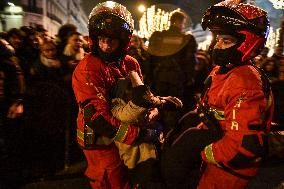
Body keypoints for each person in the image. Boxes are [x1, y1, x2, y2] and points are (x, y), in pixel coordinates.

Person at [72, 1, 177, 188]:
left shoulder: (131, 63)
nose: (106, 44)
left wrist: (155, 108)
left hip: (128, 131)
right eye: (101, 38)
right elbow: (97, 118)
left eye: (112, 38)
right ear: (93, 38)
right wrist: (141, 134)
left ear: (124, 40)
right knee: (113, 179)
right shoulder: (88, 68)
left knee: (137, 177)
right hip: (101, 139)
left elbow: (141, 95)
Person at [196, 2, 274, 189]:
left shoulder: (245, 80)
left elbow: (243, 147)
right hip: (216, 164)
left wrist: (200, 151)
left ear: (248, 42)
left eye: (227, 41)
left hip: (228, 174)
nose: (218, 46)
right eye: (217, 39)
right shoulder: (222, 71)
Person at [147, 10, 197, 132]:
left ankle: (156, 131)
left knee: (158, 103)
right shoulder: (187, 39)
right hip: (177, 78)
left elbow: (150, 58)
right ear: (181, 22)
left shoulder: (158, 36)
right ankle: (171, 133)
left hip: (159, 76)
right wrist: (189, 78)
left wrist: (149, 77)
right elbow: (191, 62)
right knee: (174, 105)